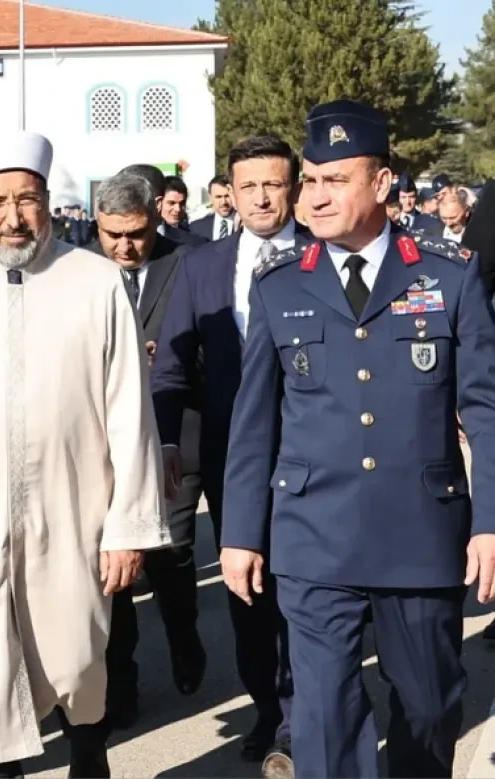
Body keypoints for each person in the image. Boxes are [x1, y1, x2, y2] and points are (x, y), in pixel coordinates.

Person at [221, 99, 495, 779]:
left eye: (333, 180)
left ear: (381, 184)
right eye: (308, 180)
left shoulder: (448, 275)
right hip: (314, 533)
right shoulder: (281, 286)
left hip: (420, 534)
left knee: (431, 705)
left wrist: (491, 521)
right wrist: (240, 531)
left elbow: (486, 407)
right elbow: (255, 421)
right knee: (322, 713)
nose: (313, 197)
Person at [0, 130, 171, 777]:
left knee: (77, 661)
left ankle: (87, 752)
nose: (12, 216)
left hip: (72, 510)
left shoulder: (98, 282)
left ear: (48, 201)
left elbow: (130, 410)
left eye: (26, 199)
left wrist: (127, 526)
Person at [152, 133, 303, 774]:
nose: (262, 197)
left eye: (273, 183)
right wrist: (164, 439)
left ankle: (300, 721)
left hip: (311, 456)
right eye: (249, 186)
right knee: (248, 593)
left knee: (305, 590)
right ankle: (267, 707)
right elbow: (173, 367)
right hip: (229, 456)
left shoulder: (324, 256)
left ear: (292, 186)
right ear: (232, 193)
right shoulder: (201, 266)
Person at [85, 173, 205, 730]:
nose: (123, 248)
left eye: (135, 235)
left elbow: (215, 344)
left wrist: (171, 360)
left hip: (174, 433)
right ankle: (121, 687)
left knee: (171, 552)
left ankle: (184, 636)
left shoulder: (190, 262)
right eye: (112, 235)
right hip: (102, 444)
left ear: (156, 220)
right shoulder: (78, 268)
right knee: (113, 567)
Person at [119, 164, 207, 248]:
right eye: (171, 203)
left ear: (158, 202)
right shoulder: (110, 247)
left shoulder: (194, 245)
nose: (178, 209)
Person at [189, 174, 237, 240]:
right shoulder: (196, 228)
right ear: (211, 198)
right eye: (218, 197)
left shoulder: (246, 226)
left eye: (227, 196)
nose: (224, 202)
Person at [395, 171, 444, 236]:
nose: (408, 202)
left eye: (411, 197)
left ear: (416, 197)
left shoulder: (430, 222)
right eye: (403, 197)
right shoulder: (391, 221)